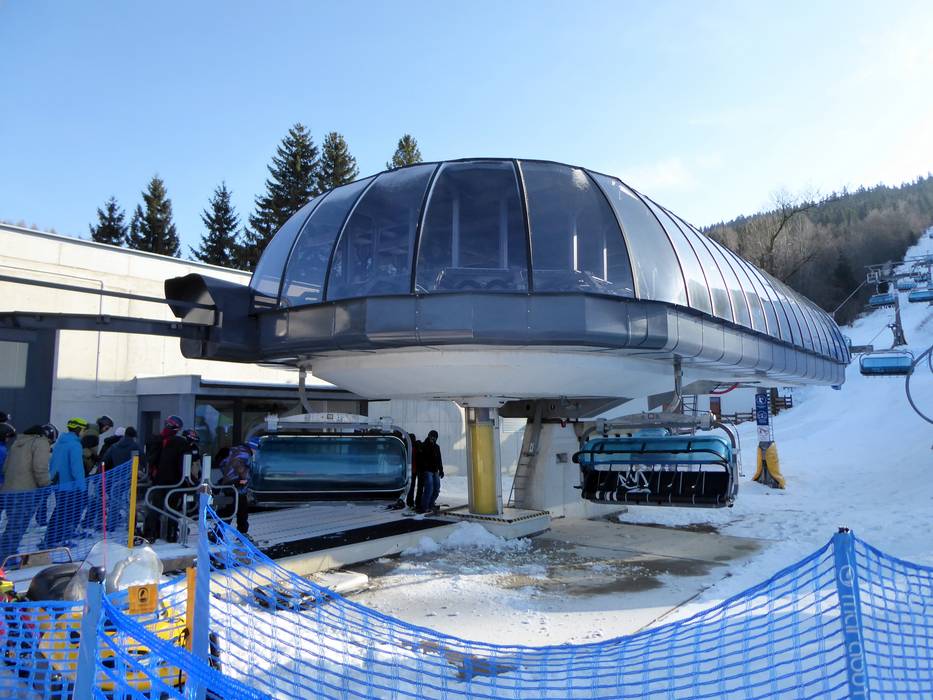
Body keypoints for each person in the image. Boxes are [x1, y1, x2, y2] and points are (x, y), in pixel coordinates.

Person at [0, 424, 56, 558]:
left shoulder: (18, 442)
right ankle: (6, 556)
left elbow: (5, 467)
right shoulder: (41, 443)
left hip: (9, 491)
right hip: (25, 492)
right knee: (17, 527)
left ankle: (7, 553)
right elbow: (40, 468)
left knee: (12, 526)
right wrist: (46, 484)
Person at [143, 416, 188, 543]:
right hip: (175, 480)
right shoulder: (181, 443)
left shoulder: (155, 439)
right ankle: (171, 534)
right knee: (172, 508)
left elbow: (150, 459)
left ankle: (150, 533)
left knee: (155, 507)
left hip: (158, 479)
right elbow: (182, 463)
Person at [44, 418, 87, 548]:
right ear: (79, 429)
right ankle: (58, 539)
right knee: (66, 513)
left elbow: (53, 463)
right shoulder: (75, 445)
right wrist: (82, 486)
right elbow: (76, 468)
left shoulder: (60, 443)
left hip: (58, 483)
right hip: (70, 486)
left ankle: (50, 538)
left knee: (59, 511)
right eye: (84, 430)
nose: (85, 433)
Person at [219, 443, 252, 535]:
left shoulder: (232, 452)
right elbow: (244, 474)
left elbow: (222, 464)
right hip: (239, 488)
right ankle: (242, 533)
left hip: (228, 486)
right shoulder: (245, 455)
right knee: (241, 512)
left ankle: (218, 532)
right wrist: (244, 481)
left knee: (228, 512)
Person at [418, 429, 444, 514]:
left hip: (435, 470)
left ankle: (431, 504)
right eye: (432, 437)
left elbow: (439, 459)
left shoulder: (437, 447)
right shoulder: (424, 445)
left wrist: (441, 470)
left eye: (435, 437)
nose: (433, 439)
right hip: (427, 471)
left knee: (436, 489)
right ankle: (424, 506)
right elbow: (421, 458)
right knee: (429, 489)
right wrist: (423, 469)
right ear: (429, 436)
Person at [405, 434, 423, 509]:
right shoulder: (415, 446)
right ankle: (416, 502)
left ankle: (411, 502)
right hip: (416, 469)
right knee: (417, 486)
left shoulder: (409, 446)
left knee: (413, 486)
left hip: (414, 469)